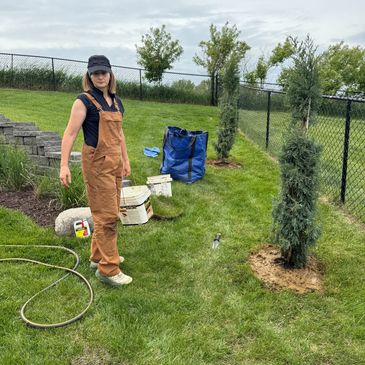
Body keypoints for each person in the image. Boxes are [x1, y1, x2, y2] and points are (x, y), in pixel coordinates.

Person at [59, 55, 132, 286]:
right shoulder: (84, 101)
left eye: (103, 72)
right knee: (107, 215)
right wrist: (63, 165)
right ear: (89, 76)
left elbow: (119, 135)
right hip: (97, 164)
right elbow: (70, 133)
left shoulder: (117, 102)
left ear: (110, 74)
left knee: (108, 210)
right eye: (95, 73)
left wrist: (126, 160)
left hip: (115, 162)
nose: (100, 77)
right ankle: (108, 270)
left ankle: (98, 256)